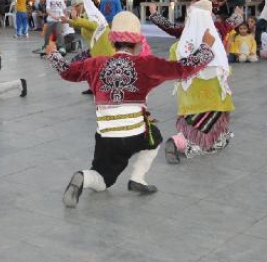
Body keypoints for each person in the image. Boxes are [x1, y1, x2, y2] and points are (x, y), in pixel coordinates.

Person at [45, 11, 217, 208]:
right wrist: (205, 47)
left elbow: (67, 72)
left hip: (106, 136)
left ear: (112, 43)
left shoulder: (94, 64)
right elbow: (183, 68)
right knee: (155, 137)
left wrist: (53, 54)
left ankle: (82, 177)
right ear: (137, 44)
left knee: (102, 179)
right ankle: (138, 177)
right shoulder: (146, 64)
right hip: (136, 133)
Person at [154, 0, 237, 163]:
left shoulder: (178, 46)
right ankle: (182, 143)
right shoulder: (216, 42)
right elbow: (225, 70)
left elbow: (175, 69)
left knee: (196, 126)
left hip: (189, 98)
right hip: (214, 98)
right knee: (213, 138)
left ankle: (181, 140)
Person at [65, 0, 115, 95]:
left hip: (103, 47)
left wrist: (75, 19)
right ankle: (94, 87)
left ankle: (105, 89)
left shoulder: (91, 14)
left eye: (77, 6)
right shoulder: (86, 14)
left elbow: (93, 26)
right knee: (88, 67)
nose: (75, 8)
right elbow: (85, 26)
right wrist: (68, 21)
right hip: (96, 47)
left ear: (83, 4)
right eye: (74, 6)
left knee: (91, 67)